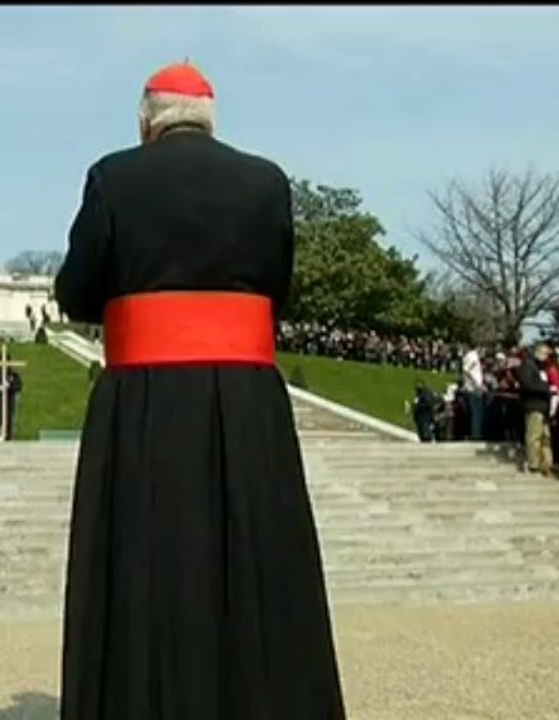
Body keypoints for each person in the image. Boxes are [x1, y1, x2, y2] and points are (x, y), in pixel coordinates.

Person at [54, 62, 345, 718]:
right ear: (212, 119)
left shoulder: (113, 176)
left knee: (144, 564)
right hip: (245, 396)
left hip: (144, 397)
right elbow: (278, 283)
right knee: (255, 561)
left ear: (144, 121)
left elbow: (75, 291)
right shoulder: (265, 181)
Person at [519, 342, 555, 476]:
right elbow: (528, 384)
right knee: (534, 436)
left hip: (544, 406)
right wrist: (547, 388)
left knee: (545, 437)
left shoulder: (542, 368)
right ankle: (533, 463)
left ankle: (547, 463)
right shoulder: (527, 366)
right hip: (534, 405)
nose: (547, 357)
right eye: (545, 353)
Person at [0, 348, 23, 441]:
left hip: (9, 400)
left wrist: (10, 386)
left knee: (8, 421)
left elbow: (18, 385)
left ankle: (8, 438)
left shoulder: (13, 375)